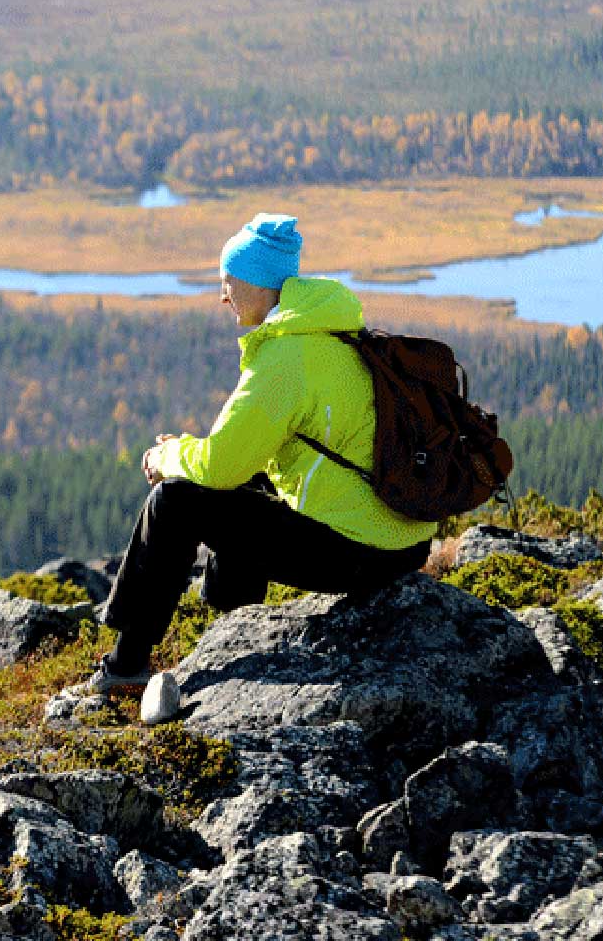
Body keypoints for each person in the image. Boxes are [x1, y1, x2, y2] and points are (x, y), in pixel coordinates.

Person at [78, 212, 439, 696]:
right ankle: (232, 623)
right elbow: (241, 462)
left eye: (229, 281)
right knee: (242, 481)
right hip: (403, 542)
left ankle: (125, 667)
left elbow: (219, 466)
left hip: (360, 554)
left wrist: (168, 457)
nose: (222, 295)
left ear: (257, 283)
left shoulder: (284, 359)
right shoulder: (333, 333)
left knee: (176, 502)